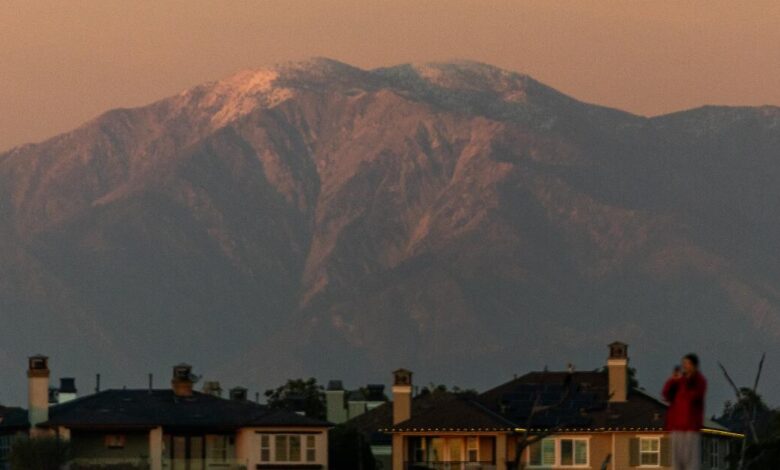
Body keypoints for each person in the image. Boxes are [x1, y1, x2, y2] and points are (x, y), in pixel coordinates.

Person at [662, 353, 708, 470]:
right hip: (676, 426)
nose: (685, 367)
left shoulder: (699, 381)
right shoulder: (678, 381)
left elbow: (694, 397)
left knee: (691, 463)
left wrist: (686, 382)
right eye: (684, 364)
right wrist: (673, 380)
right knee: (677, 463)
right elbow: (666, 395)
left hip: (690, 427)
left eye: (687, 364)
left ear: (694, 365)